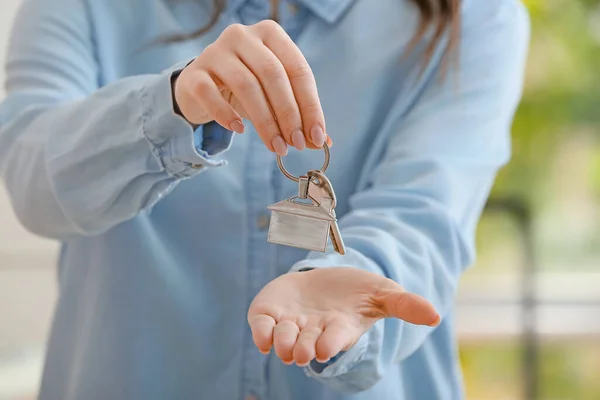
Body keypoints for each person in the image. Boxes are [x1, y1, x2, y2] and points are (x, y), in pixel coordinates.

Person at [0, 0, 529, 399]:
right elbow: (34, 181)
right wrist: (174, 105)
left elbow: (426, 210)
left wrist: (364, 274)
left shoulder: (476, 15)